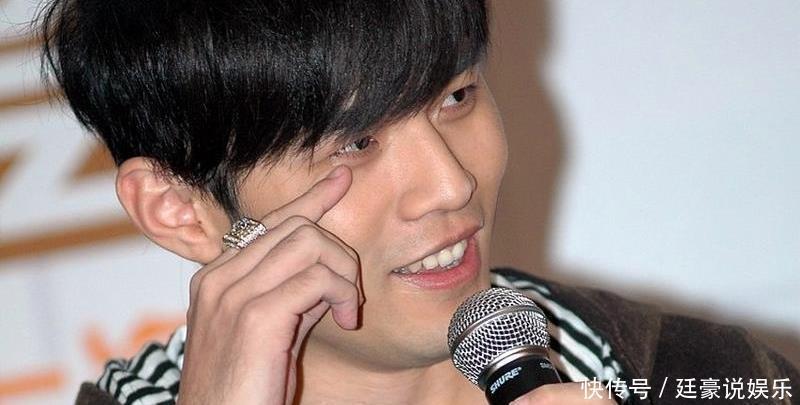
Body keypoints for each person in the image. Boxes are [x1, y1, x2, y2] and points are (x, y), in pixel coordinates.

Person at [37, 0, 797, 404]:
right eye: (355, 143)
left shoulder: (704, 378)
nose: (450, 183)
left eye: (456, 97)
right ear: (178, 207)